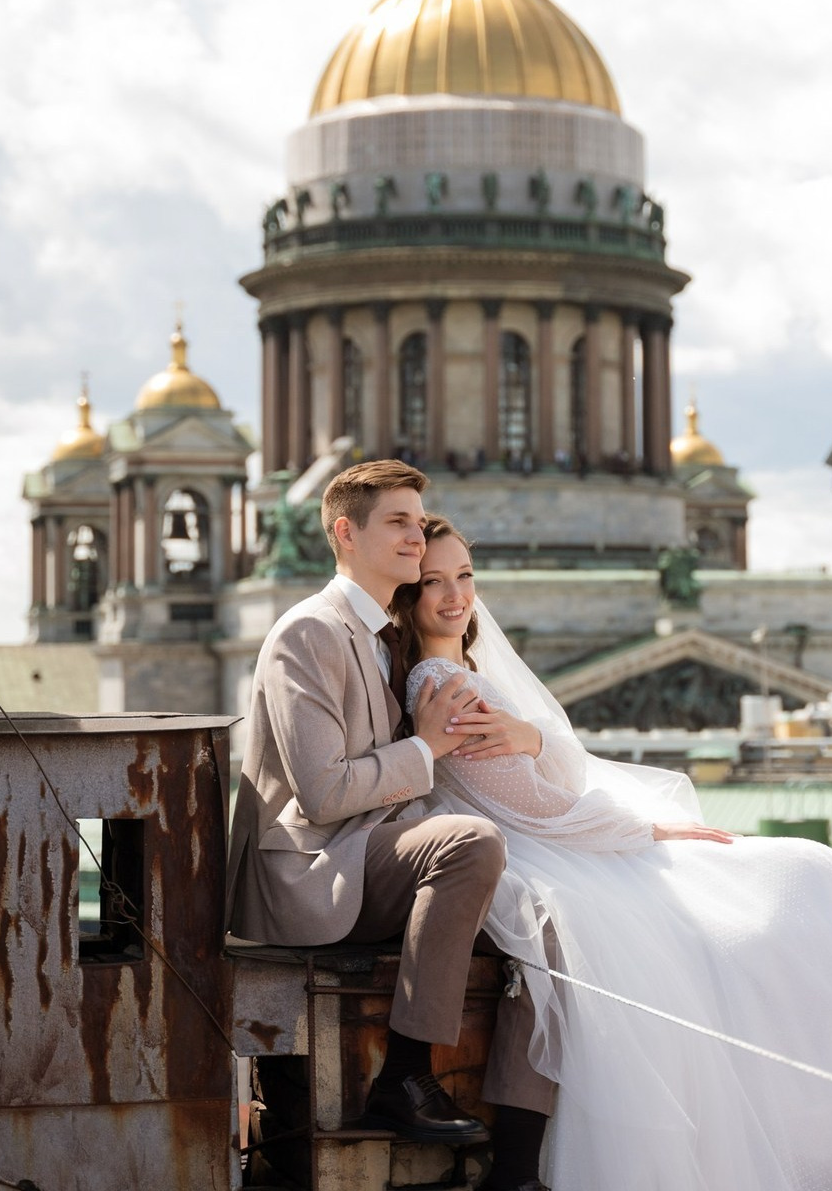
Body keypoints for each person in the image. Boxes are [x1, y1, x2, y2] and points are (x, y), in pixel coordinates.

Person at [391, 517, 832, 1191]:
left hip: (563, 841)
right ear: (405, 595)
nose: (455, 596)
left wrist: (533, 739)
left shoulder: (468, 671)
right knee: (801, 878)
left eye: (465, 577)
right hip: (547, 851)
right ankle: (812, 1130)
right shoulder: (441, 684)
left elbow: (560, 764)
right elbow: (535, 803)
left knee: (802, 876)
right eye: (433, 582)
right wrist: (648, 832)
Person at [225, 461, 553, 1191]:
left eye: (418, 520)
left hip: (366, 855)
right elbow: (322, 792)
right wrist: (429, 748)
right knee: (470, 844)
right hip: (311, 867)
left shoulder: (384, 638)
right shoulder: (308, 632)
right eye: (397, 522)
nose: (415, 536)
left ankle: (518, 1164)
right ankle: (405, 1077)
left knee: (541, 913)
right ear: (346, 533)